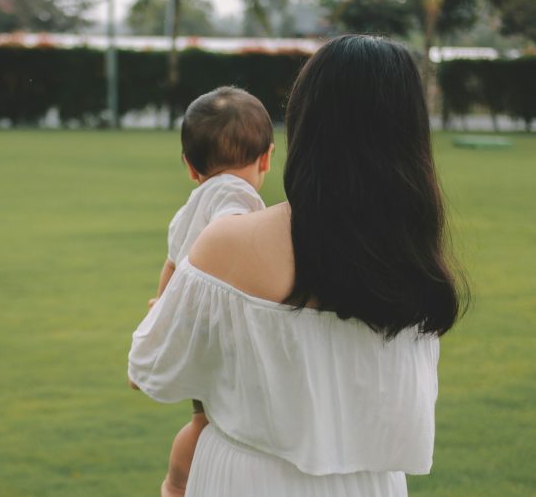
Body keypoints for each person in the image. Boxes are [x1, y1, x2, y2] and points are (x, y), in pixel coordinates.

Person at [129, 35, 466, 496]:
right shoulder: (415, 263)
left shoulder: (231, 241)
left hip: (247, 481)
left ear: (306, 124)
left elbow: (148, 368)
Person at [147, 86, 275, 497]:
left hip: (191, 328)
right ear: (267, 157)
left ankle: (175, 484)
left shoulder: (186, 211)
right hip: (223, 334)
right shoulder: (241, 204)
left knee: (202, 419)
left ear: (189, 166)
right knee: (213, 423)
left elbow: (170, 269)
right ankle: (178, 483)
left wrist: (160, 315)